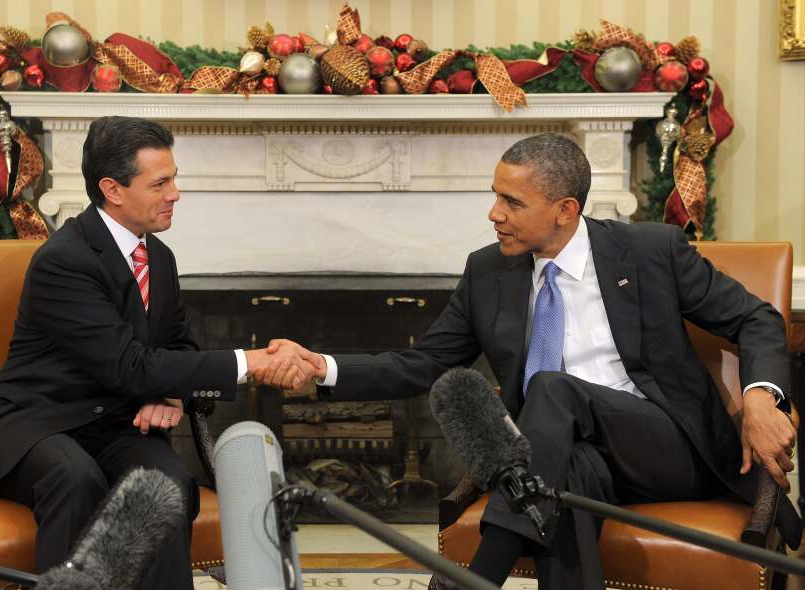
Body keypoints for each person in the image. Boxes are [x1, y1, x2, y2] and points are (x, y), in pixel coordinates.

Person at [259, 134, 801, 589]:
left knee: (553, 389)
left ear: (566, 210)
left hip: (667, 448)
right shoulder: (488, 272)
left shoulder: (652, 251)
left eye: (513, 202)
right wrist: (321, 367)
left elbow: (755, 318)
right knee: (565, 480)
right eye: (495, 196)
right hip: (562, 456)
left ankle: (472, 577)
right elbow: (420, 364)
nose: (495, 215)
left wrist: (760, 396)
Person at [0, 116, 309, 588]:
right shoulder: (65, 260)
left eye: (174, 179)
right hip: (36, 423)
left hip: (116, 422)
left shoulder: (158, 258)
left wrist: (167, 396)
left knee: (165, 479)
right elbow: (130, 365)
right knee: (75, 477)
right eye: (160, 182)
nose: (175, 194)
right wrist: (251, 362)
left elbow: (178, 345)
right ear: (113, 188)